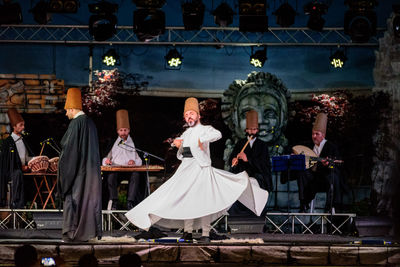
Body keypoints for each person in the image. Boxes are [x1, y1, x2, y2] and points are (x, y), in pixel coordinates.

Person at [125, 97, 268, 242]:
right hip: (186, 170)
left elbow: (217, 135)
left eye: (191, 114)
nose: (189, 117)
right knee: (184, 200)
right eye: (186, 115)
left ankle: (205, 233)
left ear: (198, 116)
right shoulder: (186, 133)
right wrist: (178, 144)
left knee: (205, 201)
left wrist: (202, 140)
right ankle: (186, 232)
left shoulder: (206, 130)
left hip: (201, 170)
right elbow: (183, 153)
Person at [58, 88, 102, 242]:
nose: (66, 114)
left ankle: (72, 234)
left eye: (66, 111)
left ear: (71, 108)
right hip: (91, 174)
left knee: (73, 200)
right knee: (88, 202)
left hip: (77, 173)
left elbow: (69, 152)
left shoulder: (76, 124)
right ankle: (87, 234)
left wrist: (63, 176)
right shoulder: (90, 123)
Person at [295, 113, 343, 213]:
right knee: (301, 173)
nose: (314, 136)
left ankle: (330, 206)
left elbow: (338, 162)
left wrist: (328, 164)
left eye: (317, 134)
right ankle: (303, 203)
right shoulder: (308, 145)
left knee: (333, 176)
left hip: (325, 179)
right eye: (313, 134)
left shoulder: (331, 147)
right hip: (312, 179)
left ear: (323, 135)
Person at [102, 109, 143, 210]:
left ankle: (130, 203)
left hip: (130, 170)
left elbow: (140, 160)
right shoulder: (113, 142)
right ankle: (114, 201)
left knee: (136, 175)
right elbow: (105, 159)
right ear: (117, 131)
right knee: (111, 177)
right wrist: (107, 161)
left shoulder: (134, 142)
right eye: (121, 130)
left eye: (125, 130)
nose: (123, 133)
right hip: (116, 170)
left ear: (128, 130)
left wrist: (134, 162)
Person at [230, 110, 272, 192]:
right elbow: (233, 157)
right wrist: (234, 161)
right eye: (249, 129)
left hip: (258, 176)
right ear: (246, 130)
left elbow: (264, 164)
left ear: (257, 130)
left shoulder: (262, 145)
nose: (252, 132)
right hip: (243, 174)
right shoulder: (240, 143)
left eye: (254, 129)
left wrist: (247, 159)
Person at [0, 108, 34, 208]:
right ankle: (16, 204)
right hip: (12, 171)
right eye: (21, 125)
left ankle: (31, 203)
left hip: (24, 169)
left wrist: (34, 161)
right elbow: (7, 162)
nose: (23, 127)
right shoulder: (8, 142)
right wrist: (20, 167)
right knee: (17, 173)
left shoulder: (24, 140)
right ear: (14, 127)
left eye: (23, 125)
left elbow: (27, 157)